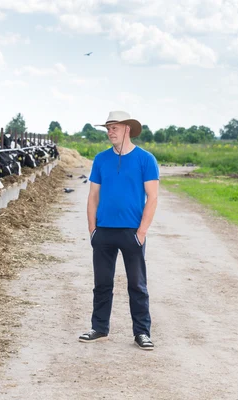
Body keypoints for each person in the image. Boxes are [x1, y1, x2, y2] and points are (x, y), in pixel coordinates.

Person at [79, 111, 160, 350]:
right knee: (102, 283)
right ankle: (99, 327)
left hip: (132, 232)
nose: (109, 131)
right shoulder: (101, 159)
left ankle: (142, 333)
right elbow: (93, 196)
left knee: (137, 284)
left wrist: (142, 232)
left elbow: (152, 197)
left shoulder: (146, 159)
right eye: (108, 128)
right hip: (103, 231)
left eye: (114, 127)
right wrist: (92, 229)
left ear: (127, 129)